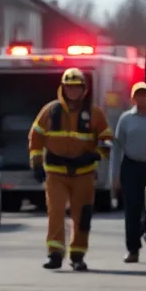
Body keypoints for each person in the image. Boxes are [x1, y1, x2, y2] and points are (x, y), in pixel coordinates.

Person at [28, 67, 113, 270]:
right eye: (69, 87)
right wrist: (36, 162)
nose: (72, 91)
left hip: (83, 173)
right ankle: (55, 254)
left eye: (76, 87)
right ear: (63, 88)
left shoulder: (94, 113)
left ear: (83, 90)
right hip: (56, 173)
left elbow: (107, 139)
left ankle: (77, 255)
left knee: (82, 215)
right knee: (55, 212)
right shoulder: (50, 111)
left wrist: (97, 154)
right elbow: (36, 137)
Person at [113, 81, 146, 263]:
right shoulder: (126, 119)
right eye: (138, 94)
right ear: (133, 98)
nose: (142, 97)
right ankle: (133, 250)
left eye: (145, 94)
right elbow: (117, 149)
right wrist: (114, 176)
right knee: (132, 210)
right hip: (131, 167)